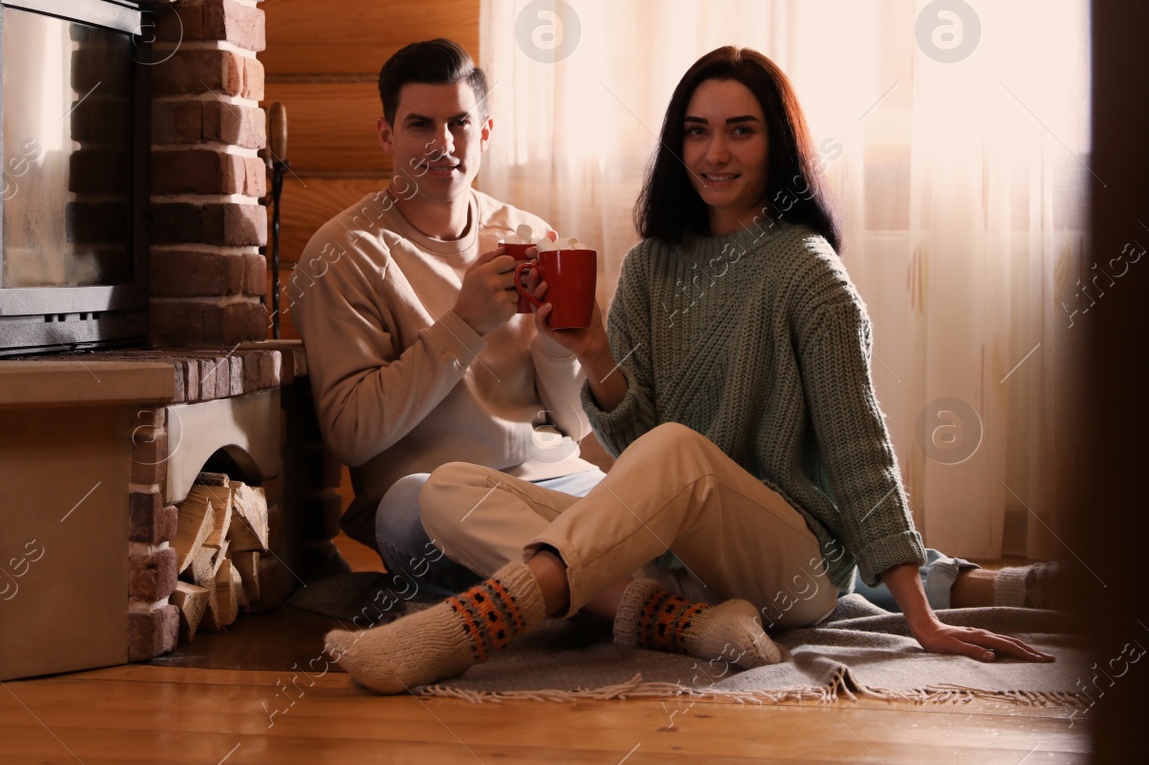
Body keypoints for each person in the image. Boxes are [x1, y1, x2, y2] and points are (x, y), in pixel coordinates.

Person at [325, 46, 1055, 693]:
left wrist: (921, 621)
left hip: (790, 563)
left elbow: (861, 453)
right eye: (698, 131)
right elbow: (638, 446)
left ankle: (467, 625)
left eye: (742, 130)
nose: (716, 152)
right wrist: (593, 353)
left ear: (779, 145)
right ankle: (686, 622)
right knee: (448, 491)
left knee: (676, 449)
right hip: (683, 558)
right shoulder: (649, 267)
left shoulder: (809, 274)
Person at [289, 39, 605, 591]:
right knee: (415, 505)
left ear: (483, 133)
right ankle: (611, 583)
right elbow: (353, 435)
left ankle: (574, 594)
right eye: (419, 126)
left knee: (655, 488)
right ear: (387, 135)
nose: (443, 144)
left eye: (459, 123)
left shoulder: (528, 236)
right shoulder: (345, 251)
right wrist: (465, 326)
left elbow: (574, 426)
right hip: (437, 503)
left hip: (553, 483)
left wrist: (558, 347)